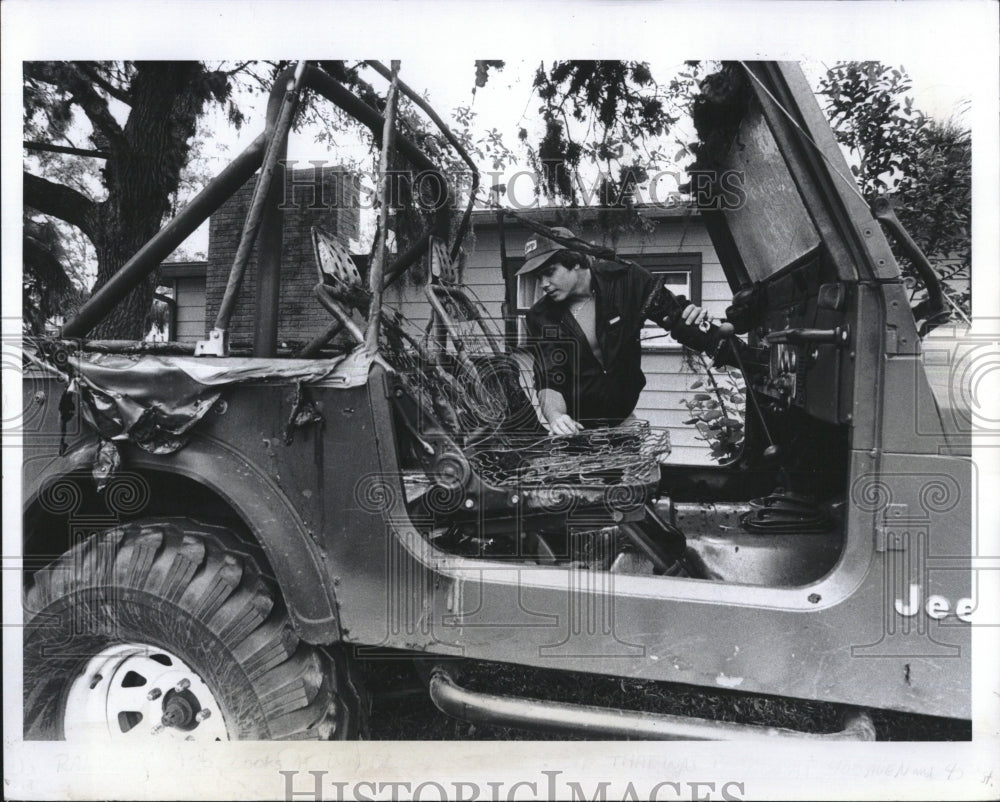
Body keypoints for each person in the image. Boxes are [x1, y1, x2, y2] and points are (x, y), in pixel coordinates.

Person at [520, 227, 734, 435]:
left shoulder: (625, 280)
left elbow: (675, 316)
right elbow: (549, 377)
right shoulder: (540, 317)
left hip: (624, 423)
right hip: (575, 431)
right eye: (538, 277)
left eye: (549, 273)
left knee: (642, 471)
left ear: (574, 261)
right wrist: (556, 416)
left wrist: (729, 348)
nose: (543, 285)